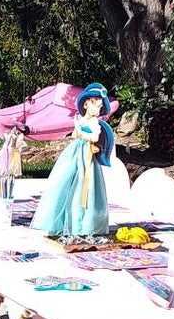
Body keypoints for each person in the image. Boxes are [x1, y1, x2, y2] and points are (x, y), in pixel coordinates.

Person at [33, 83, 116, 237]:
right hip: (75, 153)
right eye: (96, 106)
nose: (98, 110)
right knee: (64, 180)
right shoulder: (80, 119)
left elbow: (94, 137)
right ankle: (60, 220)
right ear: (86, 104)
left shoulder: (94, 123)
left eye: (100, 107)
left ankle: (85, 223)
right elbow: (73, 134)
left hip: (87, 155)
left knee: (86, 185)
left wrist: (81, 133)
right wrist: (77, 131)